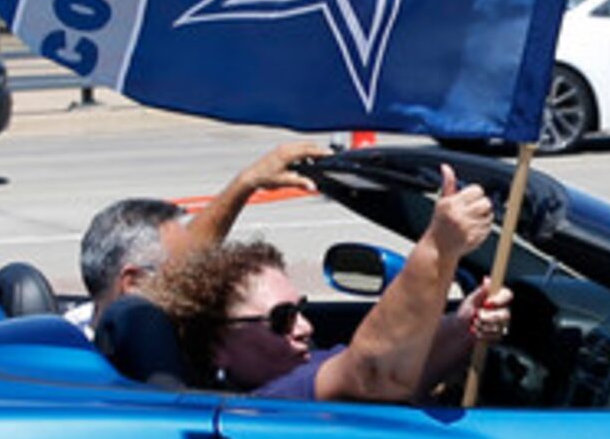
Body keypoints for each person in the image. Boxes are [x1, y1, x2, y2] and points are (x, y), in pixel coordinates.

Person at [156, 163, 511, 403]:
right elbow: (376, 372)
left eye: (300, 310)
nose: (305, 327)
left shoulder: (309, 365)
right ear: (218, 347)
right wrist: (437, 249)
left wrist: (466, 322)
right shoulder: (273, 402)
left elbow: (409, 370)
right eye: (281, 319)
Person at [65, 138, 330, 329]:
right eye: (187, 275)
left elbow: (190, 251)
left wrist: (246, 183)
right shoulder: (75, 365)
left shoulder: (91, 326)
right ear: (134, 283)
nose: (200, 283)